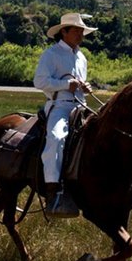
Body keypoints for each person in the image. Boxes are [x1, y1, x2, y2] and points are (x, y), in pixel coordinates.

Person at [33, 13, 97, 217]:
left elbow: (79, 84)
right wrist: (66, 85)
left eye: (82, 31)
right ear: (64, 31)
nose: (81, 35)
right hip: (59, 106)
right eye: (77, 31)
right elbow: (40, 82)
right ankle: (53, 191)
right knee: (57, 137)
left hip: (81, 106)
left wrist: (84, 87)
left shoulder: (82, 57)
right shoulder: (51, 54)